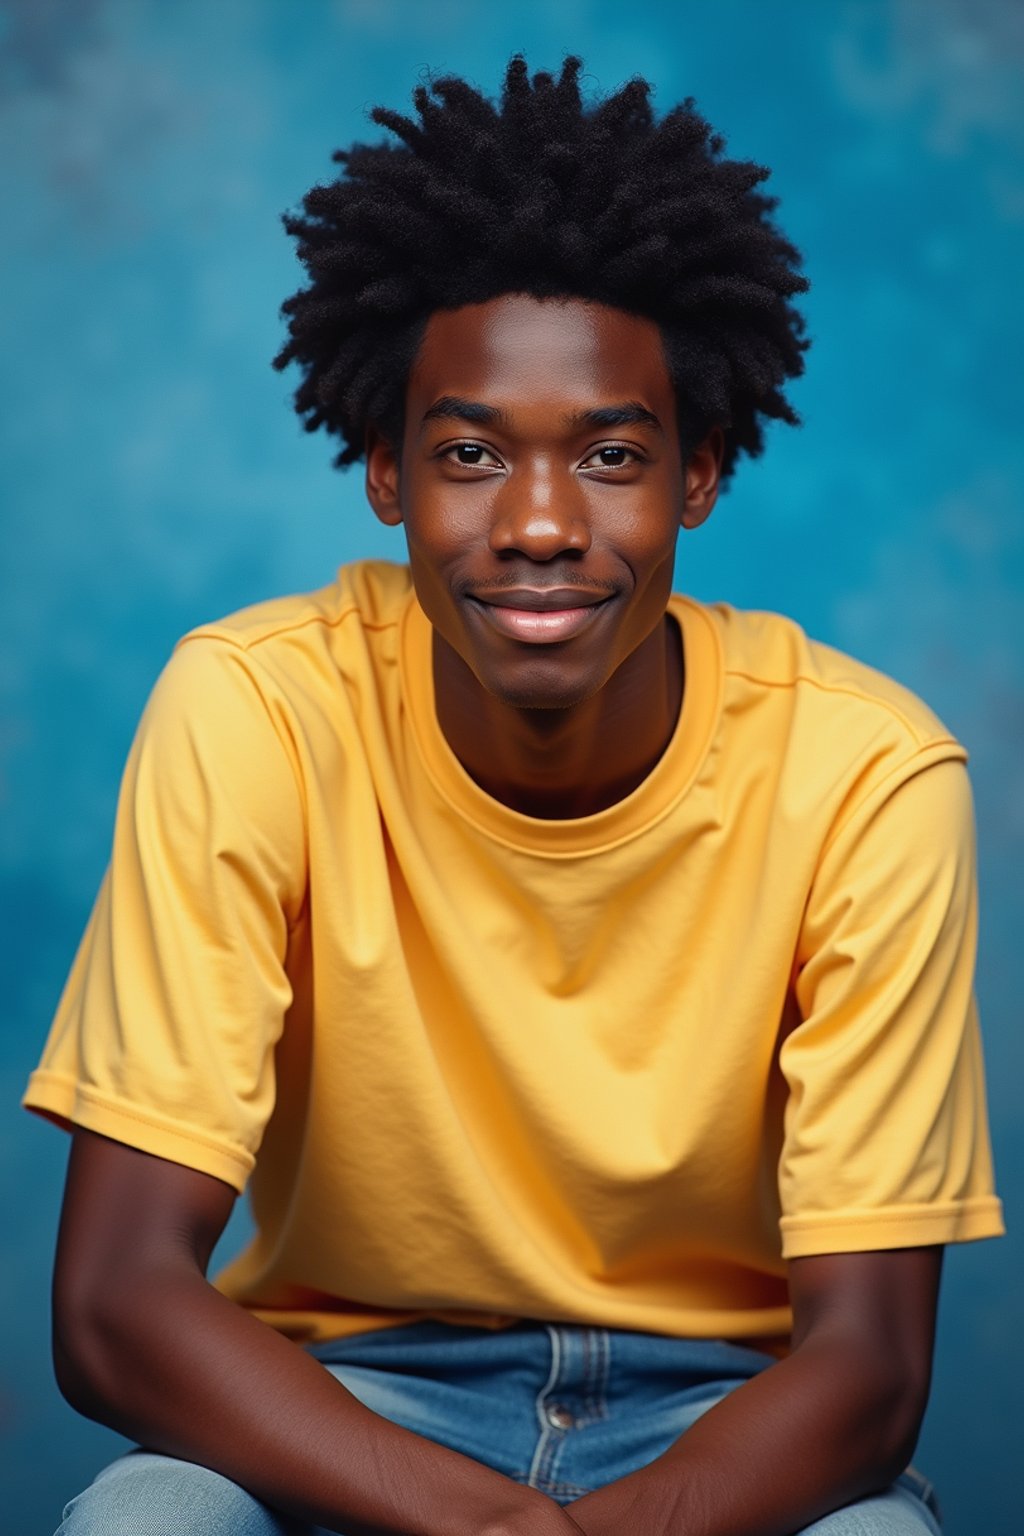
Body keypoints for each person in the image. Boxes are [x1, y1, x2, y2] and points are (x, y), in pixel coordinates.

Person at [25, 55, 1003, 1536]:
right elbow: (112, 1305)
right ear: (384, 473)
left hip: (724, 1414)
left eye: (612, 455)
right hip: (340, 1394)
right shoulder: (256, 710)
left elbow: (868, 1373)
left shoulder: (869, 776)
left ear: (702, 475)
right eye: (471, 454)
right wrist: (489, 1525)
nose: (541, 526)